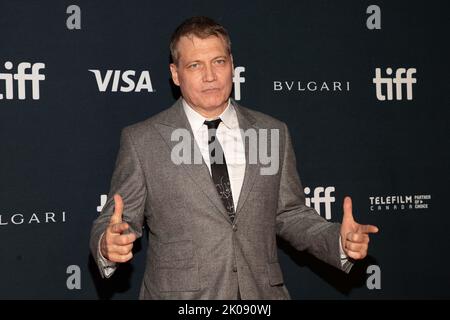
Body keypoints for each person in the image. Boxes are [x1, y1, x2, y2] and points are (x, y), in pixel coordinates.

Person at [90, 16, 378, 300]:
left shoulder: (271, 131)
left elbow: (289, 214)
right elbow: (118, 219)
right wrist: (107, 244)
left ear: (232, 65)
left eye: (218, 61)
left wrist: (337, 240)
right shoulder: (143, 140)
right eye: (194, 65)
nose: (210, 76)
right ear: (176, 74)